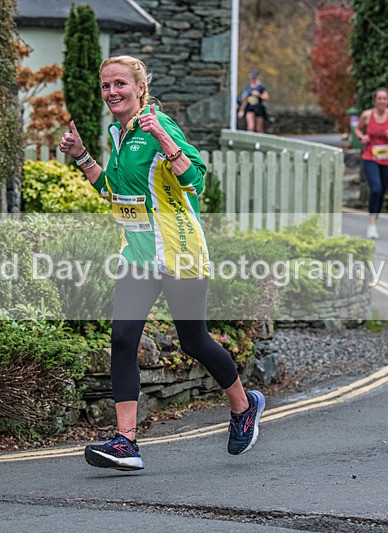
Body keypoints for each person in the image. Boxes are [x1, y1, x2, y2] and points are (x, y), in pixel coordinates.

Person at [58, 55, 265, 471]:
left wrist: (166, 142)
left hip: (179, 251)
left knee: (194, 341)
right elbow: (115, 191)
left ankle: (244, 406)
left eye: (120, 84)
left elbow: (198, 180)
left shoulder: (157, 125)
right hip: (137, 255)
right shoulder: (118, 133)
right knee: (122, 339)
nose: (112, 92)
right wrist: (82, 156)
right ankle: (125, 442)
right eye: (106, 86)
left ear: (139, 89)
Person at [354, 88, 388, 239]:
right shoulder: (367, 115)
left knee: (382, 191)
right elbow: (357, 130)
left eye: (385, 99)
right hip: (370, 157)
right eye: (379, 99)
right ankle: (371, 224)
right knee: (375, 188)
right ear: (374, 101)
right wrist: (362, 137)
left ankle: (374, 218)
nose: (382, 101)